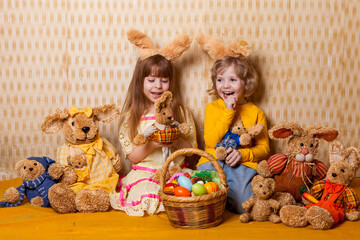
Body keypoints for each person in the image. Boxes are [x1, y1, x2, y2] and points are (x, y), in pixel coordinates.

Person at [110, 30, 197, 216]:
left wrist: (175, 141)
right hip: (146, 173)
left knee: (192, 190)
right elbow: (133, 157)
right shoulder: (131, 116)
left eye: (164, 80)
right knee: (148, 194)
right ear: (140, 82)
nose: (158, 86)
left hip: (176, 171)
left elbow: (192, 151)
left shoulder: (181, 112)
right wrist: (152, 144)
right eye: (151, 80)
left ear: (171, 83)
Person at [196, 38, 270, 213]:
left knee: (243, 206)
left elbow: (264, 148)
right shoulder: (212, 108)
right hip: (212, 160)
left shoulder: (256, 112)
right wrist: (228, 112)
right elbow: (211, 141)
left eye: (233, 80)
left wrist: (242, 154)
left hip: (243, 164)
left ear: (247, 82)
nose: (226, 85)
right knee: (202, 199)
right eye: (220, 80)